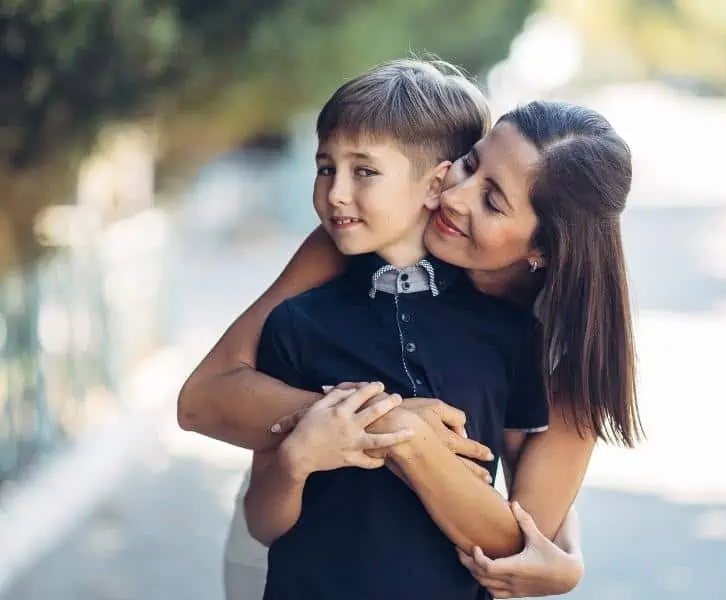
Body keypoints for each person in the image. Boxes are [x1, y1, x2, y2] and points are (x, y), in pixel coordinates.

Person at [179, 61, 641, 599]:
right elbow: (202, 401)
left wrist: (564, 552)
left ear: (544, 249)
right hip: (294, 545)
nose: (454, 197)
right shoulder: (360, 235)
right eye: (468, 165)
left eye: (492, 201)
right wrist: (384, 420)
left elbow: (514, 539)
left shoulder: (561, 343)